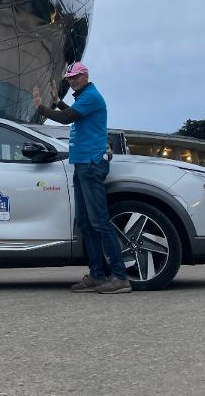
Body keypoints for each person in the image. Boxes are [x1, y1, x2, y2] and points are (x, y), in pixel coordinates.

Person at [33, 62, 131, 295]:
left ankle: (120, 277)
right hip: (82, 165)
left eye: (76, 77)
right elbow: (74, 114)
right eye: (69, 79)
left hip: (91, 164)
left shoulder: (91, 96)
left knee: (100, 222)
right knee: (86, 223)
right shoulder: (84, 99)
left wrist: (41, 108)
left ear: (86, 75)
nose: (72, 81)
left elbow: (67, 118)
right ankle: (97, 275)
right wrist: (57, 101)